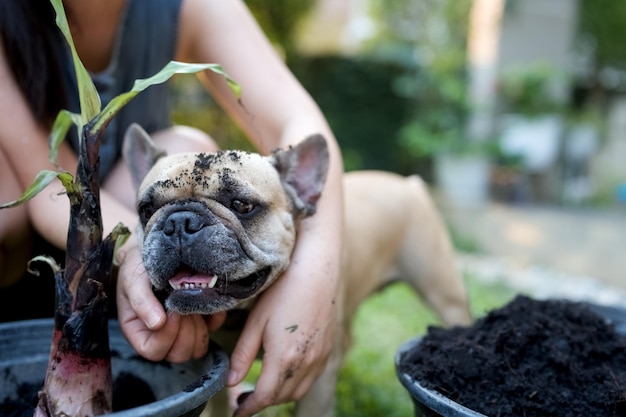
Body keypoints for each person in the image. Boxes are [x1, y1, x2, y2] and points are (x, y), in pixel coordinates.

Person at [0, 1, 344, 416]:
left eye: (238, 205)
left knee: (188, 147)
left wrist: (313, 274)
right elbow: (46, 185)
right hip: (32, 227)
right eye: (160, 215)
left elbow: (302, 122)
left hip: (120, 202)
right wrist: (131, 253)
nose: (183, 228)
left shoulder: (192, 6)